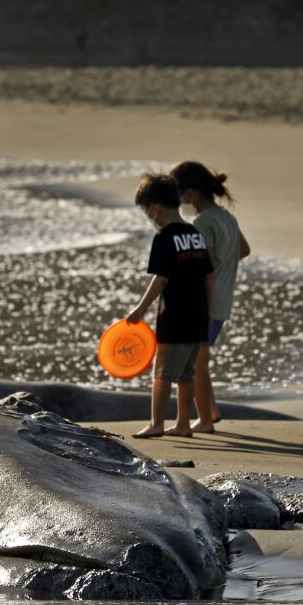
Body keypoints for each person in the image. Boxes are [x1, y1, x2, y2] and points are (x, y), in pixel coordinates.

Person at [124, 173, 214, 439]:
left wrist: (140, 309)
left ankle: (156, 423)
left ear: (154, 208)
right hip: (199, 315)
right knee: (186, 374)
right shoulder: (194, 233)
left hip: (174, 315)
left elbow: (160, 279)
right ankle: (184, 423)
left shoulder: (164, 237)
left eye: (145, 211)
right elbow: (210, 276)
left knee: (162, 372)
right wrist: (208, 311)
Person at [170, 160, 250, 433]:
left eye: (178, 197)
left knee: (196, 365)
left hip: (205, 303)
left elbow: (200, 270)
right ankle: (211, 411)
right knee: (202, 361)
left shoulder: (202, 223)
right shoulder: (228, 218)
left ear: (189, 194)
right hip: (222, 301)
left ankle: (204, 420)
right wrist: (224, 263)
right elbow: (244, 250)